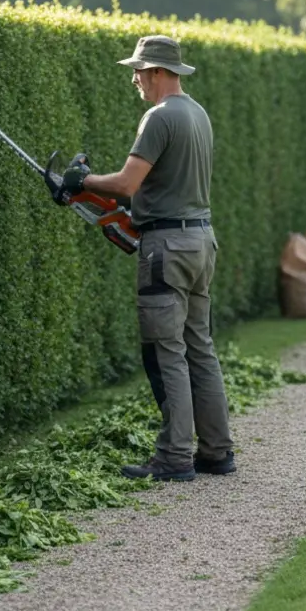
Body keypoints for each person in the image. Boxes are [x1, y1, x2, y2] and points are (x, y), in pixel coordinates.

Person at [61, 35, 236, 482]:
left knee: (165, 351)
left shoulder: (159, 117)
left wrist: (82, 180)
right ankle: (217, 452)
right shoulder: (198, 114)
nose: (135, 79)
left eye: (138, 71)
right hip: (201, 240)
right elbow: (157, 188)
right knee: (200, 348)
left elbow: (126, 184)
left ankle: (174, 457)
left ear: (158, 71)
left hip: (168, 249)